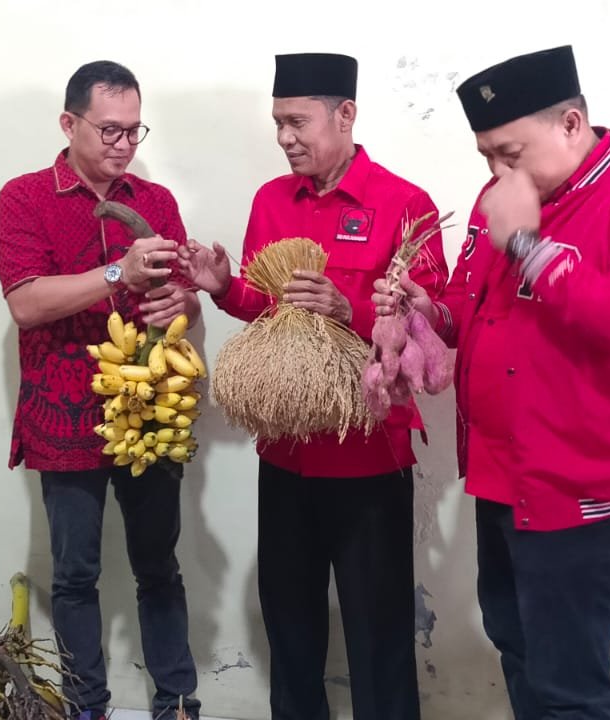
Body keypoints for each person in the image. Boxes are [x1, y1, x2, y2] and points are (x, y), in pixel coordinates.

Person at [377, 45, 610, 719]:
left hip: (580, 479)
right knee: (516, 642)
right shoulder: (499, 201)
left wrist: (527, 247)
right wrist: (427, 312)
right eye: (486, 157)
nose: (497, 174)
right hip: (502, 471)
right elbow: (470, 309)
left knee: (568, 683)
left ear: (571, 124)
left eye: (511, 153)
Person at [179, 53, 448, 720]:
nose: (285, 137)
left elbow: (429, 329)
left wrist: (349, 309)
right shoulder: (272, 201)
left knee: (378, 630)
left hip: (369, 454)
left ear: (345, 114)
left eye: (297, 122)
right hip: (287, 456)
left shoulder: (404, 204)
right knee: (291, 625)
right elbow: (269, 311)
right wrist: (223, 287)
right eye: (278, 122)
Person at [0, 60, 203, 720]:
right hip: (64, 415)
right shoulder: (24, 199)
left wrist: (183, 305)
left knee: (159, 567)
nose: (123, 144)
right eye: (109, 129)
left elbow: (186, 299)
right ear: (69, 123)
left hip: (152, 409)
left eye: (134, 131)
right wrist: (118, 272)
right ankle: (87, 707)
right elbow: (26, 303)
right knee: (75, 576)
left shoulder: (156, 202)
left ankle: (176, 703)